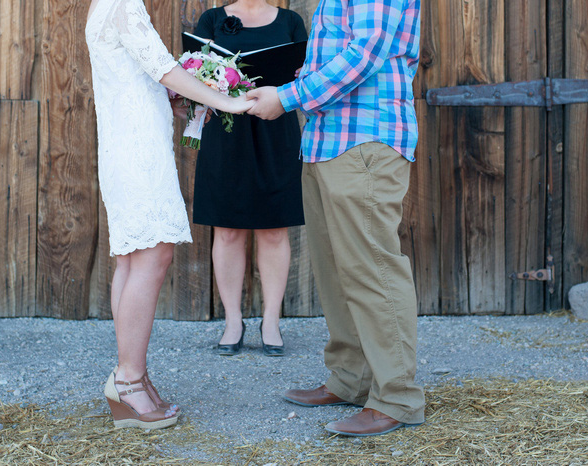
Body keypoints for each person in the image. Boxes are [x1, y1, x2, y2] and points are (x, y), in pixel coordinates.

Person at [247, 0, 425, 437]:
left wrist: (288, 97)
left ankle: (397, 398)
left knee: (371, 271)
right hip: (329, 141)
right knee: (335, 272)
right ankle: (352, 379)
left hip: (365, 140)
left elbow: (365, 52)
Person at [85, 0, 253, 430]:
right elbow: (161, 67)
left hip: (127, 142)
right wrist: (226, 101)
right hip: (136, 148)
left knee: (133, 257)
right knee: (152, 256)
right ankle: (129, 381)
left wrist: (174, 103)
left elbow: (139, 75)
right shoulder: (122, 5)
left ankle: (130, 376)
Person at [192, 0, 308, 357]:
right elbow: (193, 76)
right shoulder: (212, 19)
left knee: (274, 229)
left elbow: (304, 74)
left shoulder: (291, 21)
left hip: (276, 130)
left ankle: (271, 321)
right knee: (227, 230)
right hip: (226, 135)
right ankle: (232, 321)